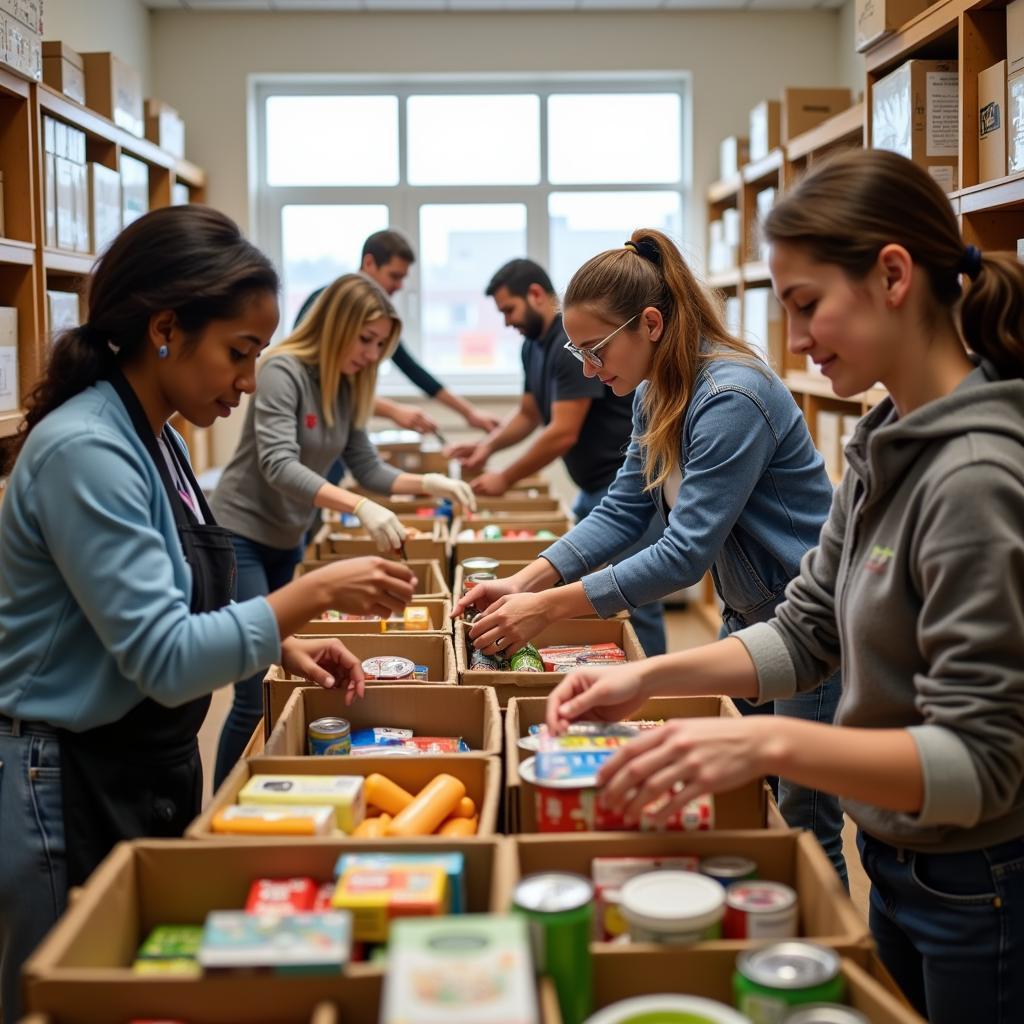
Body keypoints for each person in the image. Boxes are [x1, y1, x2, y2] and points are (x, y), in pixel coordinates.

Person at [544, 150, 1024, 1024]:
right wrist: (645, 678)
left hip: (976, 885)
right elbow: (806, 632)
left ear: (892, 276)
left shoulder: (975, 477)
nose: (794, 342)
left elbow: (981, 767)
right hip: (899, 862)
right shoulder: (883, 442)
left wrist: (768, 749)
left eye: (806, 306)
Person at [0, 207, 417, 1024]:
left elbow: (181, 587)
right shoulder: (88, 450)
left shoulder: (153, 435)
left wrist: (283, 640)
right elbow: (161, 654)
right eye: (239, 351)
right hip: (65, 778)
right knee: (66, 998)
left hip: (136, 759)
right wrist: (306, 595)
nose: (249, 378)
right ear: (164, 330)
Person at [454, 232, 846, 880]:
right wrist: (520, 581)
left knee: (805, 815)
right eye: (577, 352)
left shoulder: (729, 397)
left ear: (652, 324)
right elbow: (622, 511)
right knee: (745, 795)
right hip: (748, 619)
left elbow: (683, 554)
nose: (586, 369)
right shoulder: (652, 390)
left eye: (595, 349)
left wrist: (546, 607)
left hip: (805, 625)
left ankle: (825, 944)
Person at [211, 273, 474, 786]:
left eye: (381, 344)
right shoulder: (283, 370)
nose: (373, 353)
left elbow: (369, 467)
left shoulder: (348, 383)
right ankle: (223, 801)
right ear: (336, 328)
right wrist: (360, 506)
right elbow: (277, 464)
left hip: (286, 540)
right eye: (365, 339)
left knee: (279, 672)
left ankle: (264, 785)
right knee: (252, 682)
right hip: (238, 534)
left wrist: (430, 483)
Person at [447, 257, 667, 658]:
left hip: (615, 482)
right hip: (601, 492)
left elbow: (562, 431)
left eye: (508, 309)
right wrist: (488, 447)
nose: (587, 368)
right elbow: (532, 413)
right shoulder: (539, 348)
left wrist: (506, 477)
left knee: (637, 609)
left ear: (535, 294)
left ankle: (648, 675)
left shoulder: (723, 396)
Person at [295, 229, 500, 436]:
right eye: (394, 276)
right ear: (369, 263)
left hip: (338, 429)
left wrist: (469, 412)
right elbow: (320, 383)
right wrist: (393, 411)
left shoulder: (377, 319)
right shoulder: (328, 303)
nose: (400, 286)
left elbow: (411, 367)